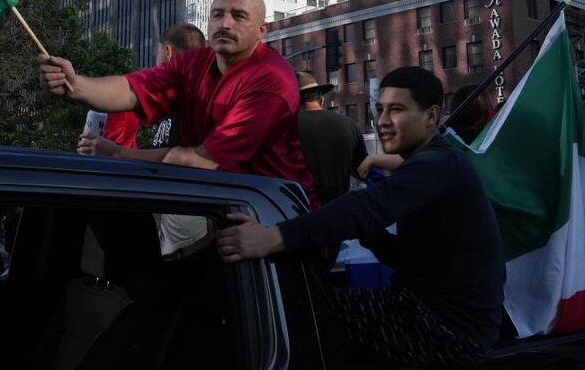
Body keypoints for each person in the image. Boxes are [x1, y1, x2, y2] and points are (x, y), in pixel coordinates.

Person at [216, 67, 504, 369]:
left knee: (304, 310)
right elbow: (413, 258)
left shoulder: (438, 163)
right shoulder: (434, 162)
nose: (382, 121)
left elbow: (365, 206)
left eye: (396, 110)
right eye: (380, 110)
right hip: (439, 316)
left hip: (449, 330)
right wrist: (374, 238)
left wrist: (271, 238)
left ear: (432, 116)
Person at [39, 0, 318, 207]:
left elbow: (197, 161)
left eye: (239, 16)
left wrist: (119, 153)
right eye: (217, 14)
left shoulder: (271, 79)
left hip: (274, 213)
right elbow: (131, 89)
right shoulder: (193, 63)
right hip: (218, 205)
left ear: (261, 31)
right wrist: (75, 85)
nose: (225, 23)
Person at [77, 23, 207, 155]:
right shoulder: (188, 95)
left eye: (158, 53)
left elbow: (172, 157)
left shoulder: (189, 100)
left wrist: (116, 151)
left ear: (168, 53)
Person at [295, 71, 368, 205]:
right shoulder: (349, 124)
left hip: (300, 208)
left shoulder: (286, 128)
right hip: (338, 209)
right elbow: (363, 170)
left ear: (294, 101)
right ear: (321, 99)